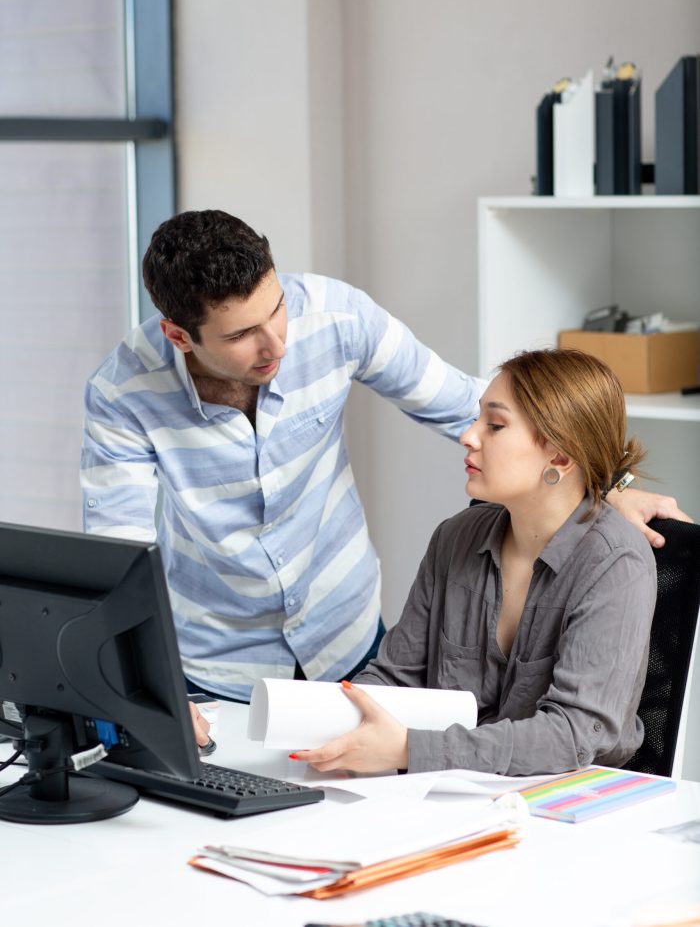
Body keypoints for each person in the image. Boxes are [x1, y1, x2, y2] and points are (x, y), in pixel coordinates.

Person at [81, 210, 686, 708]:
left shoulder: (337, 317)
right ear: (179, 335)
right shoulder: (122, 392)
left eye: (277, 309)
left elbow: (474, 406)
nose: (276, 343)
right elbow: (121, 559)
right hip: (216, 668)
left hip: (347, 640)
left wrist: (603, 482)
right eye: (241, 335)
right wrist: (142, 687)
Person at [291, 349, 659, 776]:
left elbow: (572, 734)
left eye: (495, 425)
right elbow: (395, 678)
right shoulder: (456, 538)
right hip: (452, 786)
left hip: (569, 794)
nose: (468, 436)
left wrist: (410, 750)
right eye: (477, 418)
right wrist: (330, 729)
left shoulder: (615, 563)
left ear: (559, 457)